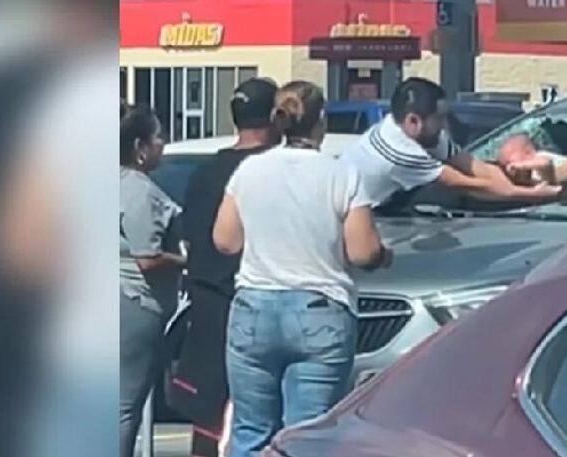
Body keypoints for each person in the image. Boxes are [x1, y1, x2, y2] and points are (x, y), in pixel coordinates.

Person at [212, 80, 392, 456]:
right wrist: (384, 254)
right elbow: (362, 252)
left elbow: (225, 240)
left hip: (254, 308)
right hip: (318, 311)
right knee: (308, 437)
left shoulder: (249, 170)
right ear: (320, 120)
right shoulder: (340, 174)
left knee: (250, 431)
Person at [171, 77, 280, 457]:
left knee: (208, 415)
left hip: (207, 301)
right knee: (266, 414)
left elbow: (190, 236)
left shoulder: (204, 173)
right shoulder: (272, 171)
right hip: (257, 300)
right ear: (274, 117)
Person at [339, 77, 561, 208]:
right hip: (350, 217)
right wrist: (533, 195)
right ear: (413, 121)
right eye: (439, 118)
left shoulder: (422, 133)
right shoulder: (398, 152)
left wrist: (523, 186)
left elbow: (473, 166)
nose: (445, 125)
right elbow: (465, 184)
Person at [120, 103, 185, 457]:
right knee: (124, 404)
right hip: (134, 301)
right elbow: (147, 257)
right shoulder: (140, 191)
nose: (163, 143)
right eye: (158, 137)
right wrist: (185, 259)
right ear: (139, 147)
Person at [497, 132, 567, 187]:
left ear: (529, 153)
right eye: (505, 164)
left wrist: (521, 166)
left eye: (510, 162)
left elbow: (545, 164)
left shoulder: (540, 158)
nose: (509, 168)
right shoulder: (527, 178)